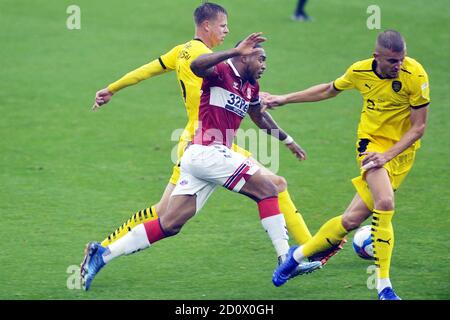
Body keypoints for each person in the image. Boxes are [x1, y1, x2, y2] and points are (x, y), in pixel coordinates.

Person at [80, 33, 322, 291]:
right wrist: (233, 51)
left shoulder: (251, 87)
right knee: (270, 189)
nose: (264, 65)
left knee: (170, 223)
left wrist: (288, 140)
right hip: (208, 151)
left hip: (205, 159)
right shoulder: (219, 71)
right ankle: (286, 259)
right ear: (245, 55)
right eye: (260, 59)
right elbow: (197, 66)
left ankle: (102, 254)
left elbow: (258, 117)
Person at [264, 30, 430, 300]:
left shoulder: (416, 74)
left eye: (401, 59)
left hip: (400, 154)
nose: (398, 66)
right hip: (370, 146)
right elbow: (330, 89)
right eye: (392, 61)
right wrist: (284, 98)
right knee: (385, 202)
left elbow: (418, 128)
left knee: (351, 220)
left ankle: (296, 256)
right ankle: (384, 287)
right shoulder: (360, 71)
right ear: (376, 57)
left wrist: (389, 156)